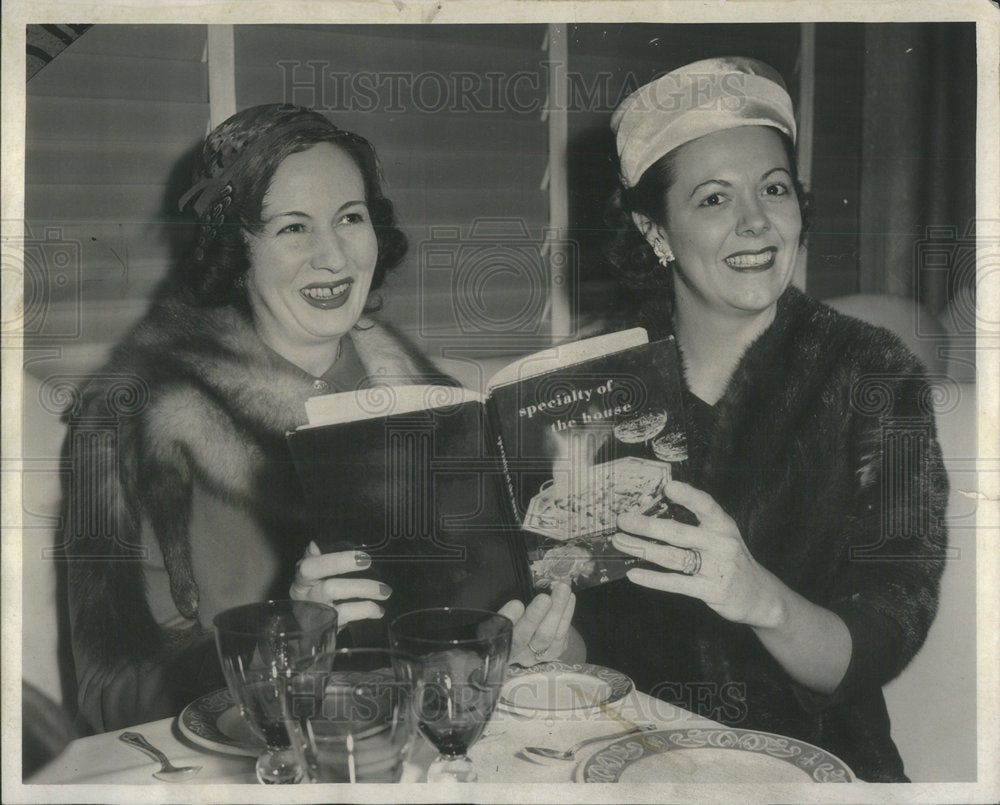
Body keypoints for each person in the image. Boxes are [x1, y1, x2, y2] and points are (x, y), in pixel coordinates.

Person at [63, 104, 576, 733]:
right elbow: (108, 696)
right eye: (293, 228)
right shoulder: (130, 419)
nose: (332, 257)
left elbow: (446, 653)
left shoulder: (431, 403)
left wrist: (507, 650)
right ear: (237, 248)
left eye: (350, 218)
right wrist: (287, 644)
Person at [573, 58, 948, 782]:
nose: (756, 221)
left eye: (774, 189)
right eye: (713, 198)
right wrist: (555, 646)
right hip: (638, 762)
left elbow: (886, 630)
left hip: (820, 765)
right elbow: (600, 630)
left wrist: (758, 597)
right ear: (656, 232)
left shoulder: (874, 375)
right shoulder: (599, 389)